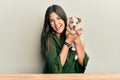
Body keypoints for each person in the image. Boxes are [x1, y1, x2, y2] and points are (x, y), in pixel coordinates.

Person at [41, 4, 89, 73]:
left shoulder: (70, 33)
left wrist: (77, 40)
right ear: (49, 23)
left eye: (58, 18)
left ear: (64, 18)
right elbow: (55, 69)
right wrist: (67, 42)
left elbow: (84, 63)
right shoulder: (48, 40)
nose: (56, 23)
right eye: (52, 21)